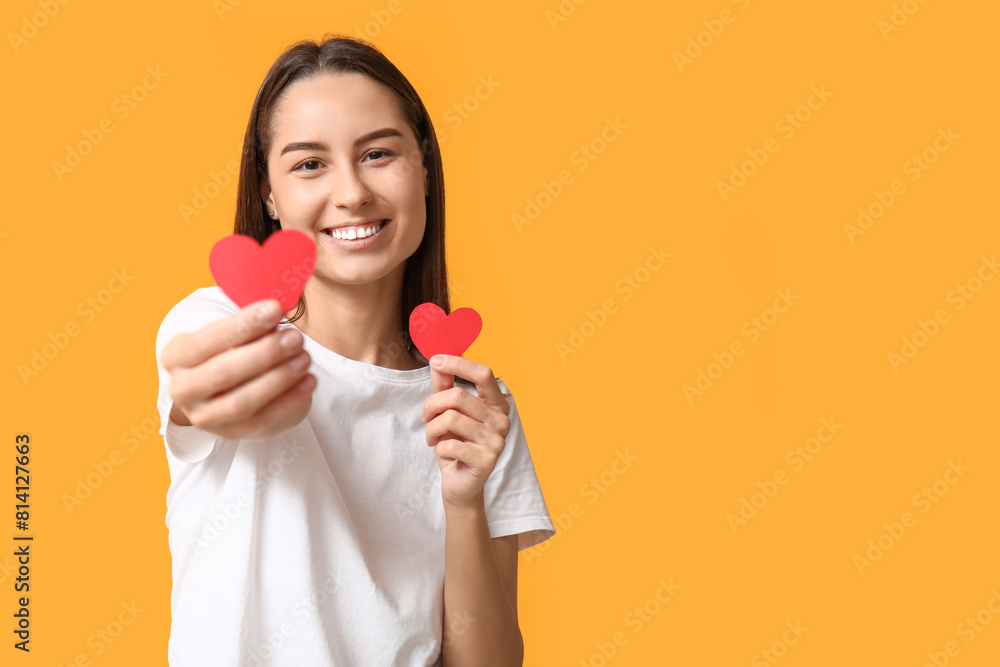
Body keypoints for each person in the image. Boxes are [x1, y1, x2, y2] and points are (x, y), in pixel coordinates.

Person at [154, 34, 555, 666]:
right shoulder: (222, 318)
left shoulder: (472, 409)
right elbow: (208, 385)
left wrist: (463, 500)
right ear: (269, 194)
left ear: (424, 170)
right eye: (309, 164)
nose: (352, 193)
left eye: (377, 154)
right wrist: (224, 389)